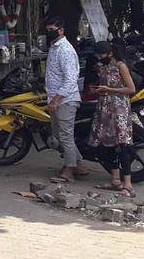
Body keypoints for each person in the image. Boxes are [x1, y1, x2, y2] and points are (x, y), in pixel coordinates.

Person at [87, 40, 137, 196]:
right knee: (106, 144)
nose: (100, 57)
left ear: (110, 53)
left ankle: (127, 184)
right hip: (104, 107)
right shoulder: (101, 66)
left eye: (102, 54)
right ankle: (115, 179)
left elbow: (131, 88)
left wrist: (109, 89)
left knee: (123, 146)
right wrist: (96, 90)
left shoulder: (120, 66)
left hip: (119, 109)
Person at [44, 15, 87, 184]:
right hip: (54, 97)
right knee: (59, 135)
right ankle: (77, 164)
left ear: (61, 30)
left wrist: (56, 100)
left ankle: (69, 170)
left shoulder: (66, 50)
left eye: (51, 30)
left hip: (65, 99)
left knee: (65, 135)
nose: (49, 33)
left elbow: (70, 79)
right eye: (47, 30)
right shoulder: (53, 48)